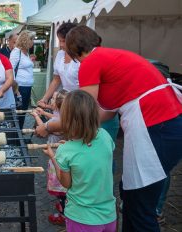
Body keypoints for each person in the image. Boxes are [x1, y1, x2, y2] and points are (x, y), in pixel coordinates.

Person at [65, 25, 182, 232]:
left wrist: (53, 125)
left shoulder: (90, 61)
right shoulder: (110, 56)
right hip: (168, 123)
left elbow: (85, 113)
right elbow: (106, 113)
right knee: (131, 193)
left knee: (140, 203)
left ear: (74, 51)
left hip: (156, 125)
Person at [44, 90, 117, 232]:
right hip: (109, 215)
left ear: (66, 118)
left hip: (82, 218)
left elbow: (66, 183)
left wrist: (53, 156)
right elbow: (91, 155)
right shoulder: (105, 135)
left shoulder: (65, 151)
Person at [36, 22, 119, 142]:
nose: (61, 45)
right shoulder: (60, 55)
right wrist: (45, 99)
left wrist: (48, 126)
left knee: (95, 147)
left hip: (86, 108)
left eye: (64, 41)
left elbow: (87, 102)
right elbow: (56, 79)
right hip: (71, 105)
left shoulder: (86, 59)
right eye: (60, 41)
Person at [31, 90, 68, 225]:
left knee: (62, 189)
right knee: (63, 189)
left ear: (58, 105)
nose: (50, 101)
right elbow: (53, 117)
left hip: (58, 160)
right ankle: (62, 206)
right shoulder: (65, 117)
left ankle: (64, 215)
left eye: (53, 99)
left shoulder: (60, 124)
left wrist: (36, 115)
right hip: (58, 158)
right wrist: (44, 113)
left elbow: (44, 129)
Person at [10, 30, 35, 128]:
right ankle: (16, 136)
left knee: (22, 112)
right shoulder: (17, 52)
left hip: (26, 87)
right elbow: (10, 70)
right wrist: (16, 90)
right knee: (19, 113)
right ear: (26, 40)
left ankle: (19, 133)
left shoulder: (26, 53)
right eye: (32, 39)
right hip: (20, 88)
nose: (33, 41)